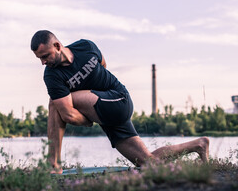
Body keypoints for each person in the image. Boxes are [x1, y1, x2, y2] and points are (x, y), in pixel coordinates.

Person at [30, 30, 209, 174]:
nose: (43, 62)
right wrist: (91, 111)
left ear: (57, 45)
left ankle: (53, 165)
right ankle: (199, 145)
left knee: (55, 103)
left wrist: (89, 117)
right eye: (40, 58)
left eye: (46, 55)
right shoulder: (52, 76)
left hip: (118, 98)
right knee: (147, 162)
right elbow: (69, 116)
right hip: (102, 111)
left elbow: (103, 65)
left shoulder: (86, 46)